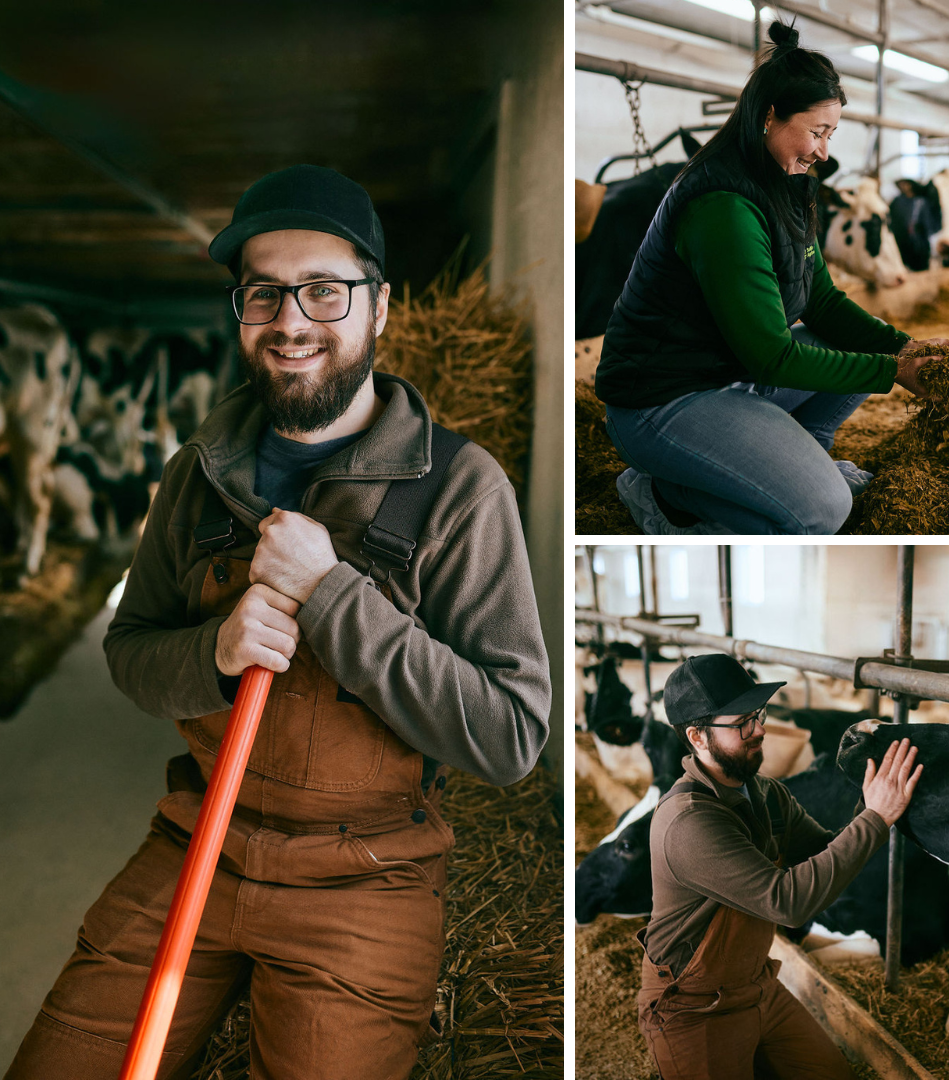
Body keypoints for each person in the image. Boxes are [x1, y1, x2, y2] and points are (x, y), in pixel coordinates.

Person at [5, 164, 551, 1080]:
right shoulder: (197, 473)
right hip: (194, 848)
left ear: (379, 307)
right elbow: (130, 652)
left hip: (365, 878)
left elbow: (511, 736)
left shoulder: (460, 489)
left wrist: (333, 596)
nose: (291, 320)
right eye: (264, 294)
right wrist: (215, 652)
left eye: (323, 291)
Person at [594, 20, 949, 535]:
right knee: (822, 512)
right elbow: (771, 356)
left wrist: (906, 346)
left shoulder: (786, 183)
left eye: (830, 134)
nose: (824, 152)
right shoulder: (722, 206)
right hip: (663, 400)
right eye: (816, 132)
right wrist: (892, 373)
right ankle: (664, 494)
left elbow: (824, 302)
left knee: (844, 343)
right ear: (770, 117)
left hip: (722, 376)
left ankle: (793, 466)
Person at [639, 654, 921, 1079]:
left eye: (758, 714)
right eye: (741, 724)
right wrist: (875, 819)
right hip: (696, 1007)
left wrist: (874, 803)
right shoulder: (689, 821)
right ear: (697, 737)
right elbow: (787, 902)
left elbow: (826, 852)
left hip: (758, 987)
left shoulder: (767, 794)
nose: (760, 729)